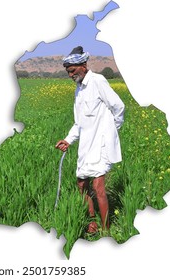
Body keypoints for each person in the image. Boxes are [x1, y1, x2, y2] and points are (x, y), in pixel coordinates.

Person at [55, 46, 125, 233]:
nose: (70, 75)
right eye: (68, 72)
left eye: (72, 70)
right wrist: (68, 140)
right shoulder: (79, 89)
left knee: (98, 186)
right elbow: (79, 122)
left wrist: (111, 132)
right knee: (81, 184)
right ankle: (92, 221)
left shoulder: (97, 81)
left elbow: (118, 107)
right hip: (86, 144)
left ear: (84, 65)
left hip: (101, 144)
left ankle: (106, 229)